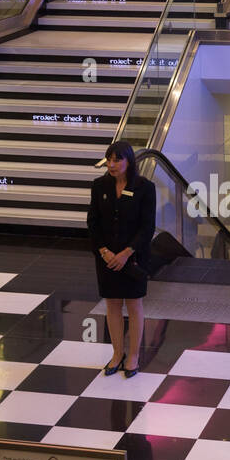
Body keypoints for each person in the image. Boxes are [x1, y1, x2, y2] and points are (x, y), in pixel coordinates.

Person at [87, 140, 155, 378]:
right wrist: (104, 251)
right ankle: (117, 354)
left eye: (117, 160)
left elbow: (147, 228)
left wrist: (126, 253)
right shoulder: (99, 185)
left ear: (129, 162)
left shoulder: (144, 187)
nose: (112, 164)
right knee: (112, 304)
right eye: (109, 159)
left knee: (134, 305)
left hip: (133, 257)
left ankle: (133, 355)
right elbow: (92, 223)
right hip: (107, 258)